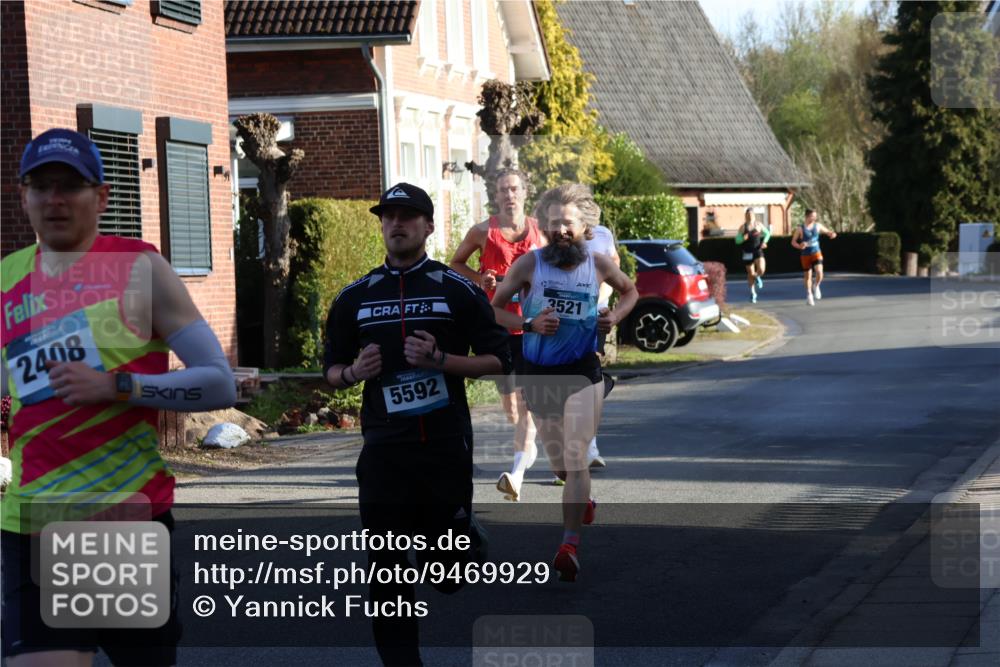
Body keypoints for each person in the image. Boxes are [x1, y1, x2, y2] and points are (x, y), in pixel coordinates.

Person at [1, 128, 236, 666]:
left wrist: (118, 387)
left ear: (101, 197)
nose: (54, 199)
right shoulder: (7, 278)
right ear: (23, 197)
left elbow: (218, 381)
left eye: (70, 186)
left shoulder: (140, 268)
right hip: (31, 521)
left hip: (119, 522)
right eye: (41, 186)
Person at [324, 182, 511, 666]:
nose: (397, 224)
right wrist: (351, 373)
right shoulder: (355, 297)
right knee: (387, 568)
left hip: (445, 448)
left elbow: (498, 359)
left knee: (445, 571)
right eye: (388, 216)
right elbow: (330, 369)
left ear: (428, 227)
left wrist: (442, 360)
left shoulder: (458, 290)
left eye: (408, 216)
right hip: (385, 453)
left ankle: (458, 540)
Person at [491, 184, 637, 583]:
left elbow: (630, 291)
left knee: (575, 457)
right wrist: (528, 323)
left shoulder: (599, 263)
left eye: (567, 223)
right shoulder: (529, 265)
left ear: (584, 226)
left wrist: (615, 317)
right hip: (539, 372)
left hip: (582, 370)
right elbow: (494, 310)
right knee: (559, 465)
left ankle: (569, 545)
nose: (560, 231)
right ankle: (582, 497)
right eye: (553, 223)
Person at [448, 169, 546, 503]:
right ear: (496, 195)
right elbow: (455, 263)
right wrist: (481, 279)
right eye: (503, 189)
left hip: (533, 327)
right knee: (512, 408)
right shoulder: (482, 232)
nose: (509, 195)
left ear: (525, 192)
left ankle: (518, 470)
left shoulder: (540, 232)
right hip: (498, 326)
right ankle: (529, 450)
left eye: (515, 188)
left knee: (526, 402)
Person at [583, 224, 621, 470]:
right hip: (561, 323)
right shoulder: (551, 239)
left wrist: (603, 301)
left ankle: (590, 446)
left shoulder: (604, 235)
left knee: (590, 375)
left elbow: (615, 273)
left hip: (595, 315)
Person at [791, 208, 837, 306]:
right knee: (807, 276)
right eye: (813, 216)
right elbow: (793, 242)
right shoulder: (800, 228)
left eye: (815, 216)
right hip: (805, 254)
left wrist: (832, 234)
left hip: (816, 252)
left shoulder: (817, 226)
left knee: (820, 272)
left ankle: (816, 285)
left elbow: (828, 232)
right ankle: (809, 295)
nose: (814, 218)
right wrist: (799, 246)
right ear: (807, 216)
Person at [735, 207, 770, 303]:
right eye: (748, 214)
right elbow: (737, 241)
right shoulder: (743, 227)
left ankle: (757, 276)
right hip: (747, 252)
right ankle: (753, 293)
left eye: (751, 214)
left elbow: (767, 233)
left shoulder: (758, 225)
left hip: (757, 250)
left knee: (762, 269)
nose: (750, 216)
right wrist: (742, 238)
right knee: (750, 273)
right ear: (746, 216)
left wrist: (764, 242)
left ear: (754, 215)